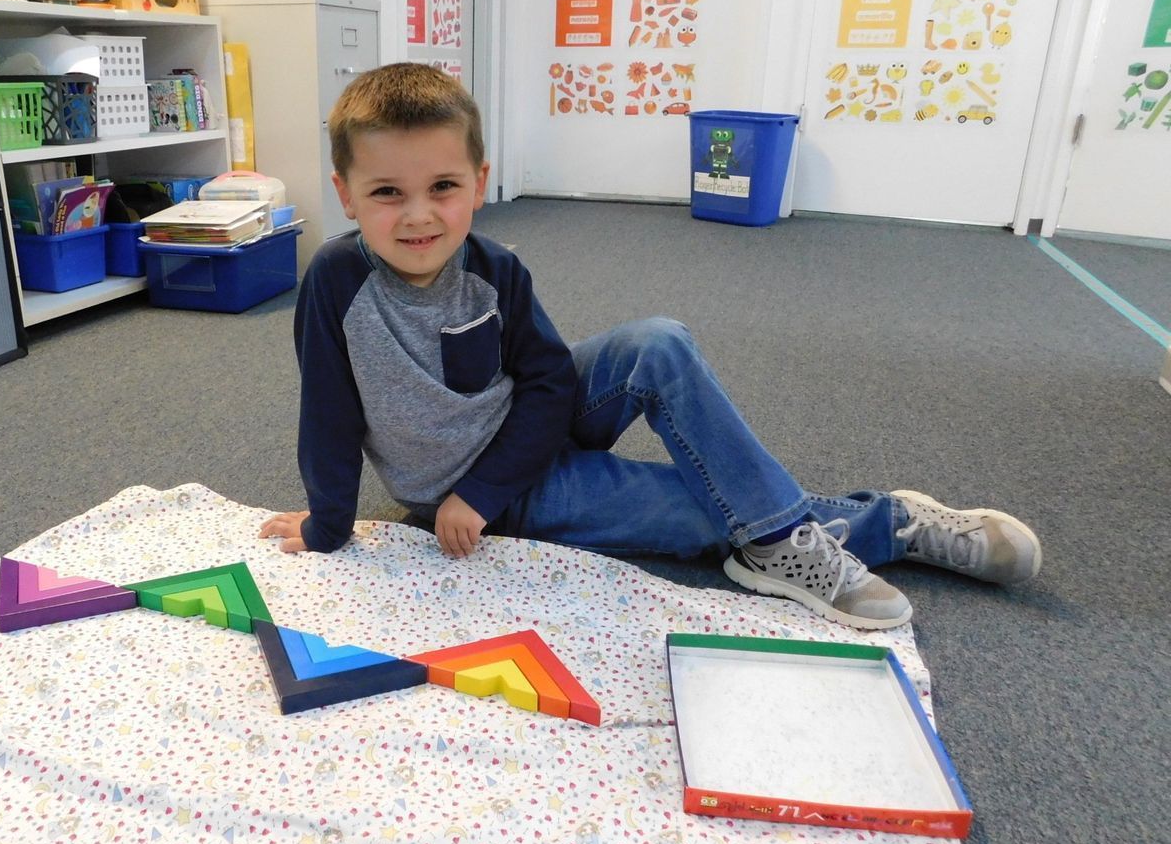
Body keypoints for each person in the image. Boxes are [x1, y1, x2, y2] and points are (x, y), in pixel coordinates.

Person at [258, 63, 1042, 630]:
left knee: (658, 341)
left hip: (524, 441)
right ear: (346, 194)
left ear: (479, 180)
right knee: (707, 511)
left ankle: (776, 541)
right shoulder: (334, 282)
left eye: (443, 188)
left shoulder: (497, 269)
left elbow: (547, 386)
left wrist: (489, 480)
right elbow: (326, 412)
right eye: (387, 192)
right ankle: (893, 522)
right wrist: (333, 522)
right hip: (488, 496)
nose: (418, 216)